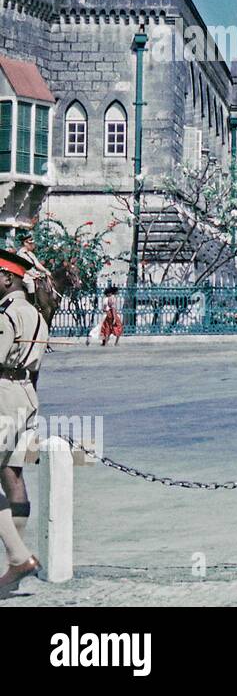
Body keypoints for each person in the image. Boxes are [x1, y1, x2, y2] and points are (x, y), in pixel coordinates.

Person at [0, 248, 47, 591]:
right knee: (12, 474)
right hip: (27, 396)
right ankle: (14, 560)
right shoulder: (36, 314)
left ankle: (17, 557)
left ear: (7, 278)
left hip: (2, 394)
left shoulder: (4, 315)